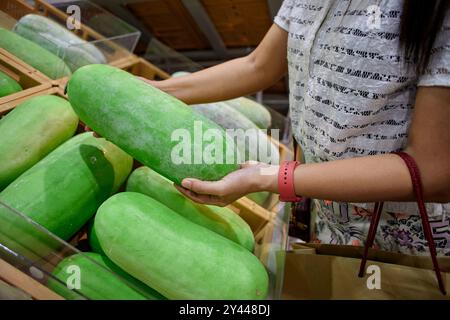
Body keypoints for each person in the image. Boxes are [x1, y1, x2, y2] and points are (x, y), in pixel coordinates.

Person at [143, 0, 450, 256]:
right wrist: (155, 91)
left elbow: (434, 170)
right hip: (326, 206)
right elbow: (258, 66)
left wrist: (268, 177)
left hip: (408, 239)